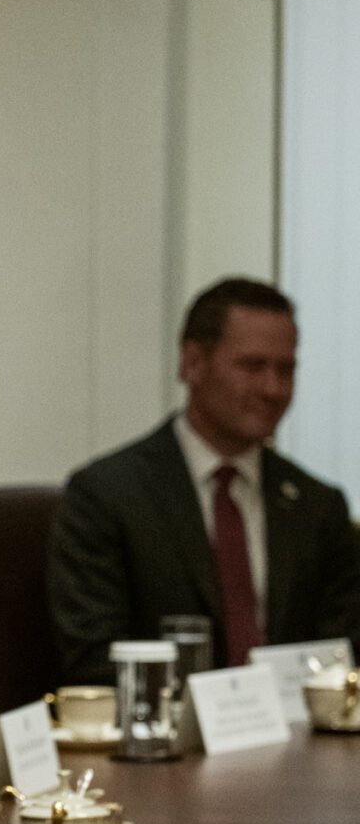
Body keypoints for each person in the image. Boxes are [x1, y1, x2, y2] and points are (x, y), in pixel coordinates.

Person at [50, 278, 360, 679]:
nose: (273, 388)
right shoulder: (108, 495)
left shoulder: (318, 506)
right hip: (165, 735)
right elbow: (94, 659)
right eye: (252, 367)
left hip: (299, 737)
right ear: (193, 363)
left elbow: (343, 656)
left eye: (286, 369)